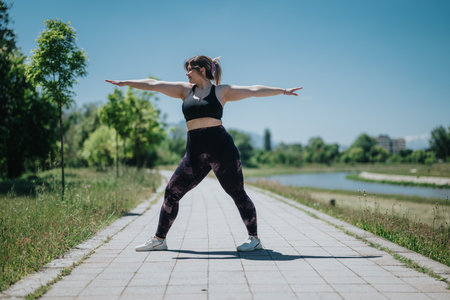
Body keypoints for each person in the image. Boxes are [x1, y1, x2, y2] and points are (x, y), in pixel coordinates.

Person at [106, 55, 302, 252]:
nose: (186, 73)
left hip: (222, 149)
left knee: (237, 193)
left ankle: (254, 238)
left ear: (202, 70)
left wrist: (283, 91)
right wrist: (125, 83)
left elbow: (253, 90)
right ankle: (159, 239)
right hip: (194, 153)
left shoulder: (222, 91)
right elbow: (154, 85)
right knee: (171, 192)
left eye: (190, 69)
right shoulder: (184, 90)